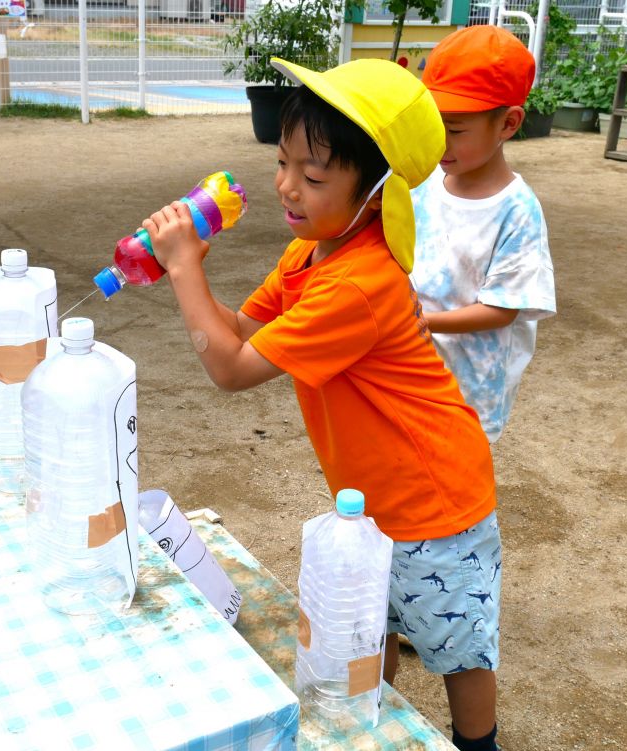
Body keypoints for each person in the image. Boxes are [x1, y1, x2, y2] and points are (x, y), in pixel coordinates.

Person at [142, 58, 504, 751]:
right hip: (373, 498)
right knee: (375, 617)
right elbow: (245, 332)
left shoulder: (359, 284)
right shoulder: (311, 253)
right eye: (283, 163)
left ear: (375, 191)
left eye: (313, 176)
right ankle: (383, 722)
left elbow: (230, 368)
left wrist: (185, 267)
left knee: (457, 643)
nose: (287, 187)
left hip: (435, 499)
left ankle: (478, 743)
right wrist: (190, 271)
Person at [411, 25, 557, 443]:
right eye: (431, 125)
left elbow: (504, 308)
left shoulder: (516, 210)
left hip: (471, 387)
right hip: (413, 365)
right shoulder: (423, 183)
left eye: (455, 130)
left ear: (508, 123)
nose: (439, 142)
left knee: (453, 481)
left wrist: (422, 322)